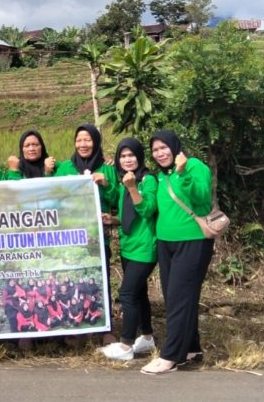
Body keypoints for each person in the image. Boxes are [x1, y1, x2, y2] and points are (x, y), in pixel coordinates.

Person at [141, 130, 214, 375]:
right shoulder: (162, 176)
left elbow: (202, 197)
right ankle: (191, 348)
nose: (160, 153)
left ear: (175, 147)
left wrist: (183, 172)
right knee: (178, 298)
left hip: (192, 242)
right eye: (155, 150)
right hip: (166, 243)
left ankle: (170, 356)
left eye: (164, 148)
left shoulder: (194, 166)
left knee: (179, 297)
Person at [52, 124, 118, 344]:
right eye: (79, 140)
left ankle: (104, 326)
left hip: (97, 237)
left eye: (88, 140)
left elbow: (117, 199)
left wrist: (106, 184)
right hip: (69, 238)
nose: (83, 144)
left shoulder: (108, 168)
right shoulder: (65, 168)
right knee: (72, 280)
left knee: (101, 279)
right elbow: (54, 196)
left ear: (96, 142)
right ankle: (76, 328)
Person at [100, 138, 158, 362]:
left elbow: (147, 210)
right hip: (128, 247)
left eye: (131, 155)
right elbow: (127, 211)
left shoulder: (147, 179)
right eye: (123, 156)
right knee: (139, 293)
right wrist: (113, 219)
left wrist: (133, 187)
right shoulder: (125, 181)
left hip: (144, 248)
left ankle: (125, 345)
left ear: (139, 157)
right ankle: (147, 336)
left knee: (126, 293)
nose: (127, 159)